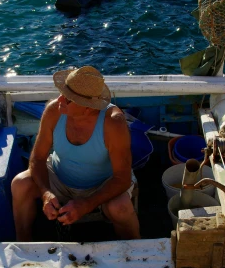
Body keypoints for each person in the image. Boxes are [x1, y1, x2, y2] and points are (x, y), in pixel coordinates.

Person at [11, 65, 140, 241]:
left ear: (88, 107)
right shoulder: (54, 110)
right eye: (63, 93)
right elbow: (38, 158)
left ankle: (135, 253)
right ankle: (22, 245)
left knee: (121, 207)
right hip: (59, 177)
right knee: (20, 184)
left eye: (68, 99)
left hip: (102, 184)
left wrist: (86, 204)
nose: (60, 100)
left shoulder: (113, 123)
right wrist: (46, 193)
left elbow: (122, 178)